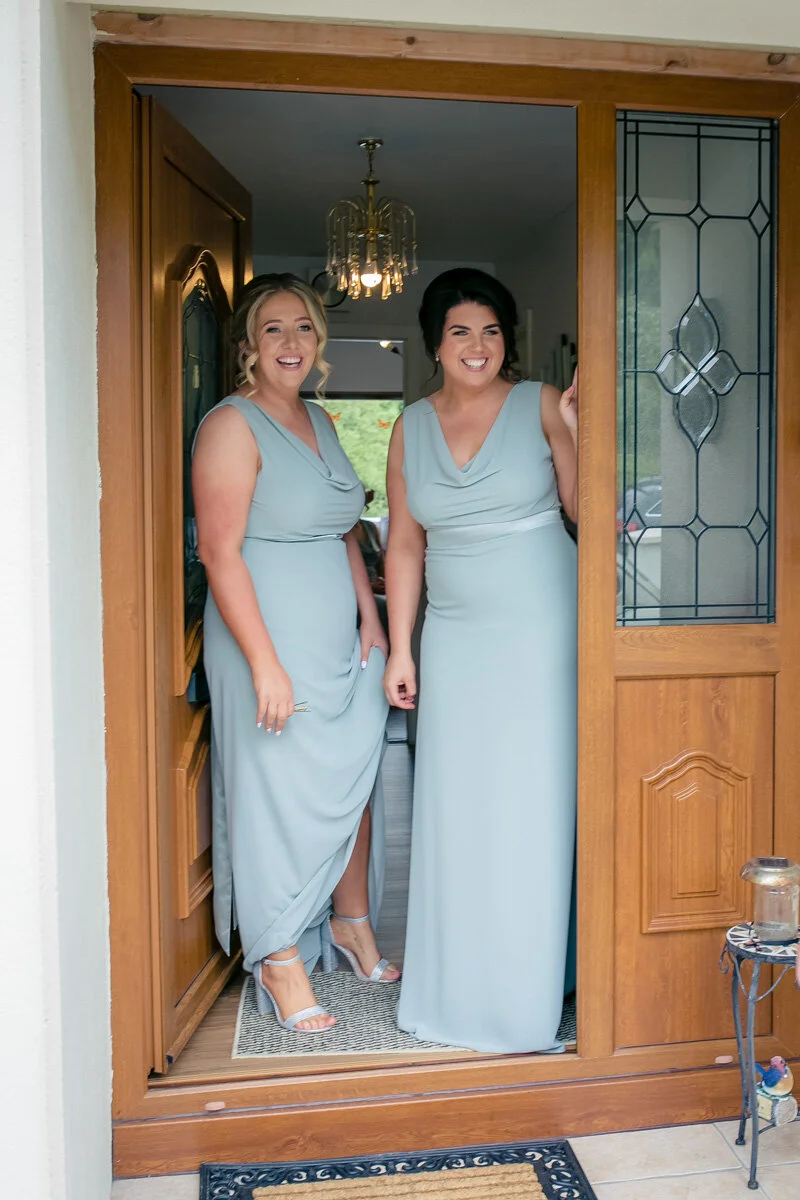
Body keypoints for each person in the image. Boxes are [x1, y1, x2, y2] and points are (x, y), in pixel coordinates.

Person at [192, 273, 398, 1035]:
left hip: (337, 637)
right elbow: (219, 553)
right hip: (265, 638)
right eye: (274, 328)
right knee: (275, 791)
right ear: (249, 342)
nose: (291, 342)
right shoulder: (230, 424)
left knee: (354, 779)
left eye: (304, 327)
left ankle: (351, 923)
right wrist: (265, 663)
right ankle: (278, 954)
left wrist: (370, 620)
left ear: (319, 341)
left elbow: (343, 531)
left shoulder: (320, 418)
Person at [383, 267, 577, 1053]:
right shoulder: (410, 426)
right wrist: (402, 645)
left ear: (507, 340)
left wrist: (578, 429)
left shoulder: (541, 403)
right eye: (461, 331)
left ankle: (534, 985)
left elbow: (582, 507)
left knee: (532, 801)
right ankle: (459, 986)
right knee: (459, 803)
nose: (477, 345)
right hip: (455, 636)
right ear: (435, 344)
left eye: (491, 330)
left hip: (541, 627)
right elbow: (404, 543)